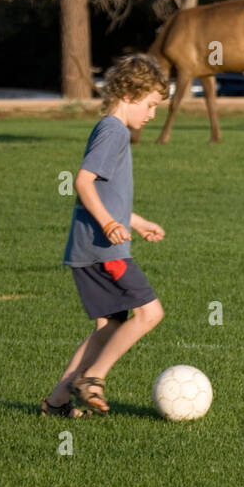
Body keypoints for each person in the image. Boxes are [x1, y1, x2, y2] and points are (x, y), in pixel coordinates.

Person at [42, 54, 170, 417]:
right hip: (103, 250)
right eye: (150, 105)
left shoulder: (112, 129)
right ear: (129, 95)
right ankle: (93, 378)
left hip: (95, 246)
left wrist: (134, 221)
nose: (151, 115)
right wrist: (110, 225)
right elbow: (83, 182)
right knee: (150, 314)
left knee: (108, 326)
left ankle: (56, 403)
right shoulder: (113, 130)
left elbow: (105, 193)